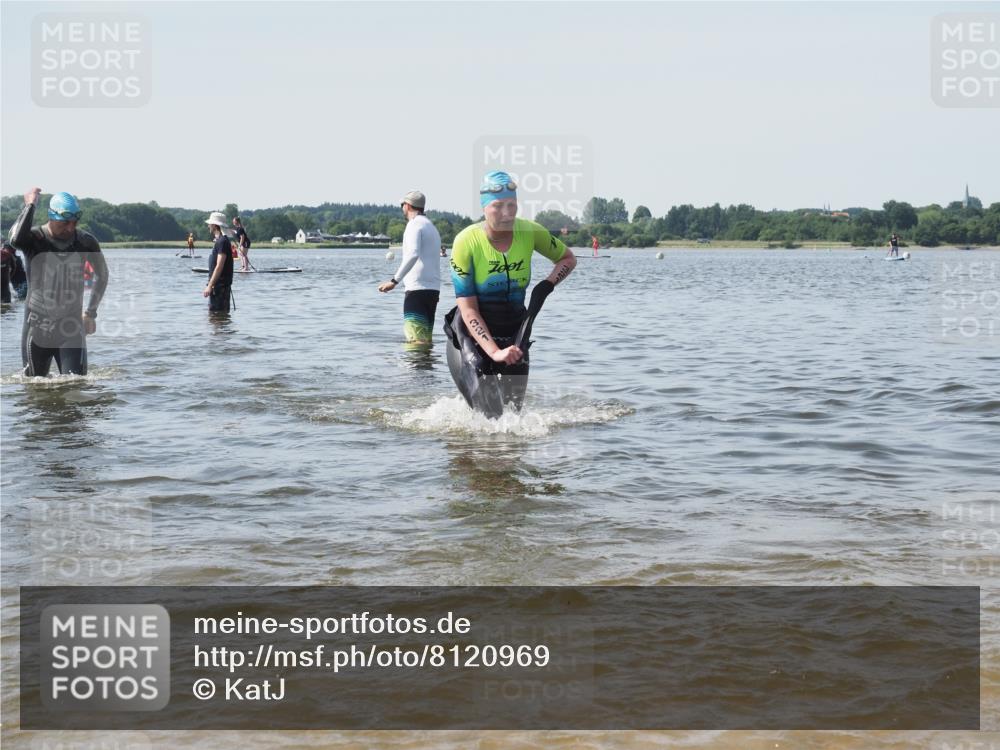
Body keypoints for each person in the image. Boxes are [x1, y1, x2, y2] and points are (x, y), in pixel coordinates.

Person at [444, 171, 576, 417]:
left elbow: (567, 259)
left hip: (515, 332)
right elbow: (468, 309)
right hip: (471, 337)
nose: (507, 213)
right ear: (484, 208)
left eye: (512, 205)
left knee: (513, 419)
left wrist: (547, 284)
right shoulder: (466, 242)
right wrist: (494, 352)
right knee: (489, 417)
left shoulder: (529, 231)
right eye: (498, 206)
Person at [8, 189, 109, 376]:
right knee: (34, 391)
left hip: (71, 328)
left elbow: (102, 275)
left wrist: (91, 313)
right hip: (36, 328)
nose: (70, 228)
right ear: (51, 216)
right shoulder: (34, 239)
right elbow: (15, 239)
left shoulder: (85, 242)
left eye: (74, 222)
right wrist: (30, 205)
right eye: (64, 223)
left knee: (75, 385)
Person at [378, 190, 442, 345]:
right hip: (433, 289)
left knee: (415, 340)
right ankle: (427, 368)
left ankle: (413, 369)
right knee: (425, 339)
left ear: (407, 205)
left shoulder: (414, 224)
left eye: (402, 205)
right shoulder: (431, 226)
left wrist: (394, 281)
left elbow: (413, 254)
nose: (402, 208)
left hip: (417, 289)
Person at [203, 211, 235, 312]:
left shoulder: (222, 242)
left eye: (210, 224)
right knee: (218, 320)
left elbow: (219, 266)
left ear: (215, 226)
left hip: (220, 288)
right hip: (218, 287)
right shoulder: (220, 241)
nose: (208, 226)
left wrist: (210, 286)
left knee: (216, 318)